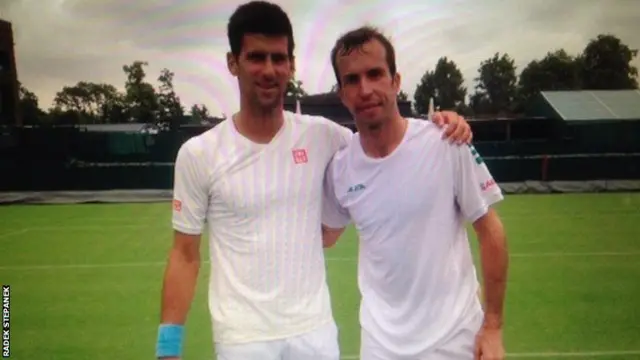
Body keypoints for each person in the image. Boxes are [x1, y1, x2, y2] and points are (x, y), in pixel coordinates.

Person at [155, 2, 473, 360]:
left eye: (279, 58)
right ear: (233, 63)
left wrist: (444, 122)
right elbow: (185, 256)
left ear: (291, 64)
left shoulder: (324, 136)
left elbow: (382, 140)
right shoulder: (199, 154)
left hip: (316, 333)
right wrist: (168, 349)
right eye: (256, 57)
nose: (269, 70)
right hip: (243, 339)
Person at [321, 26, 509, 360]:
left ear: (395, 81)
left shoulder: (446, 142)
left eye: (375, 74)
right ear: (342, 94)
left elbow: (490, 230)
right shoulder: (340, 168)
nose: (365, 89)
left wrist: (492, 326)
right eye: (352, 80)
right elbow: (326, 235)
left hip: (454, 339)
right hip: (381, 346)